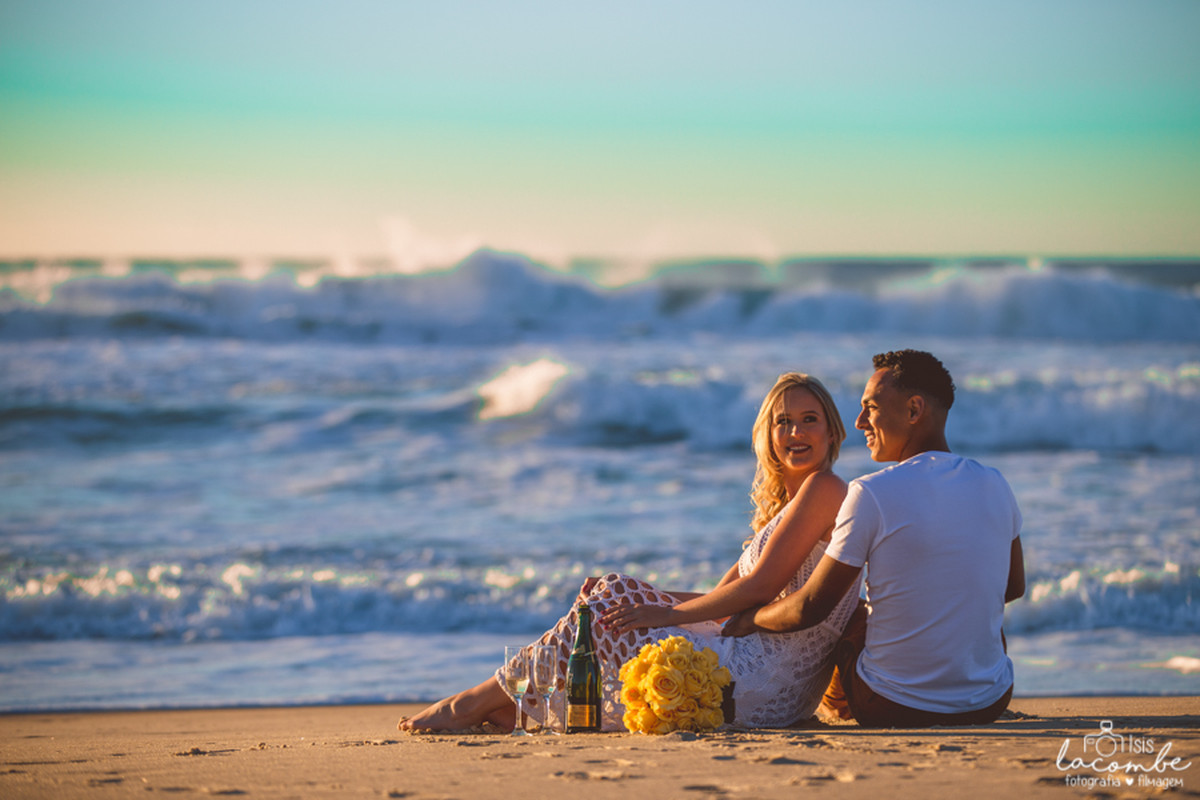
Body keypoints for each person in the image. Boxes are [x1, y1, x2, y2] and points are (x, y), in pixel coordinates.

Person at [398, 372, 863, 732]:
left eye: (809, 420)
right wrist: (644, 598)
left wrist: (661, 616)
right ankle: (513, 703)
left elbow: (757, 589)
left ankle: (476, 702)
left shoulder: (825, 488)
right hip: (756, 666)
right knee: (614, 593)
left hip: (767, 679)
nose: (795, 432)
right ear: (768, 435)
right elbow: (718, 598)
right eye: (783, 421)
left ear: (831, 433)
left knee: (610, 606)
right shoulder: (788, 509)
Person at [723, 350, 1026, 727]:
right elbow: (1012, 587)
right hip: (989, 701)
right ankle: (966, 677)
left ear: (914, 410)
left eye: (870, 407)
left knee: (849, 612)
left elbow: (811, 608)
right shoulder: (996, 483)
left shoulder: (871, 492)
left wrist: (751, 618)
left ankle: (835, 707)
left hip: (889, 704)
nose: (859, 421)